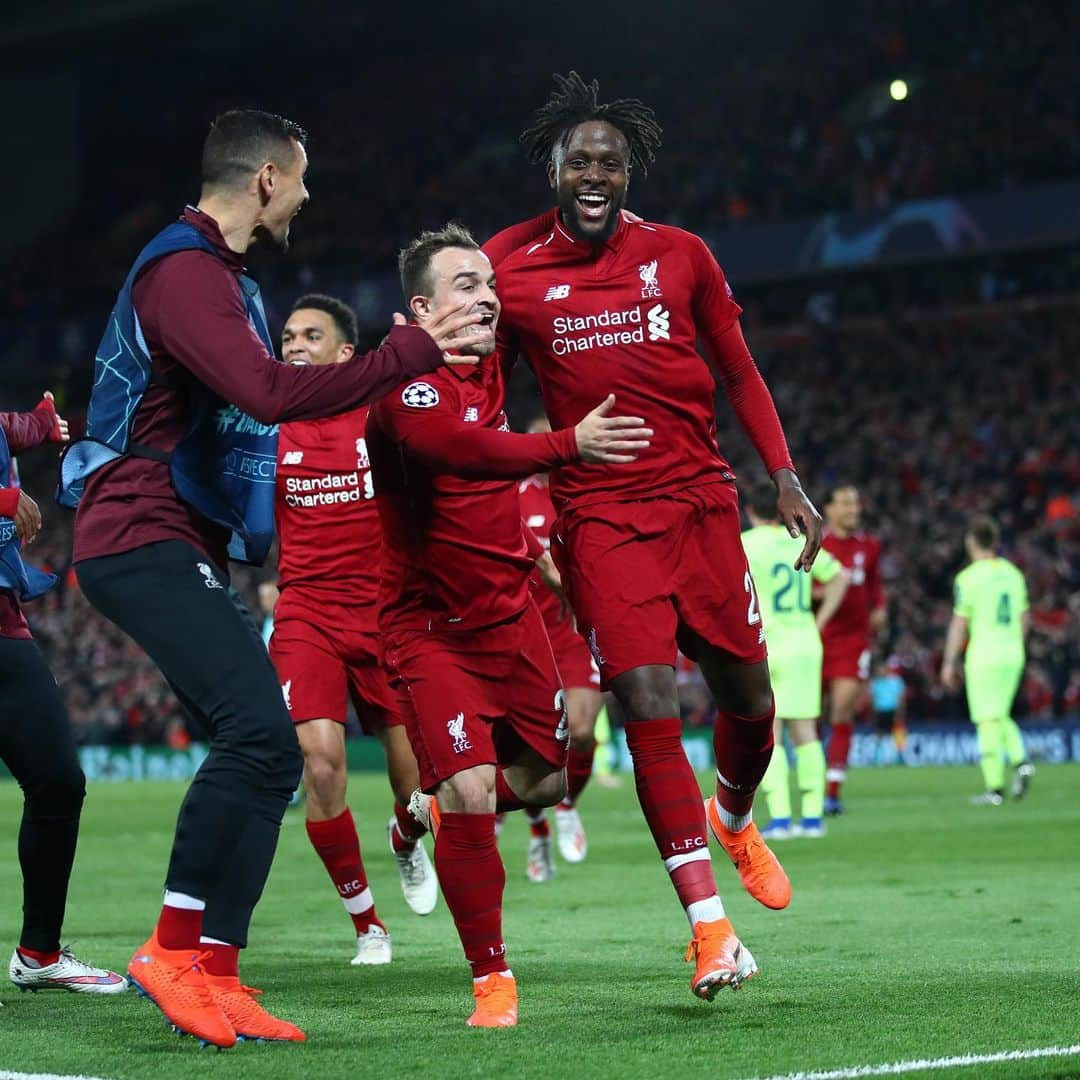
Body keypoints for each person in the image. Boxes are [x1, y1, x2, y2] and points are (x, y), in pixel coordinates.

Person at [59, 109, 485, 1049]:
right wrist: (408, 352)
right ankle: (173, 950)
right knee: (262, 735)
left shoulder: (222, 279)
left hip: (175, 533)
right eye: (300, 179)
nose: (306, 194)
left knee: (269, 750)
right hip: (139, 530)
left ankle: (219, 971)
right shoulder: (185, 272)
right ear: (264, 180)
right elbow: (271, 396)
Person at [483, 72, 824, 1001]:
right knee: (644, 704)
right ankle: (711, 931)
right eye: (579, 160)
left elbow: (740, 370)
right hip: (598, 519)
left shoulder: (681, 254)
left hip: (702, 505)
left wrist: (784, 477)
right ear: (553, 170)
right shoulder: (506, 267)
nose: (596, 173)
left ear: (629, 174)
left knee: (749, 700)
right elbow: (481, 402)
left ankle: (736, 815)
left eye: (612, 162)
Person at [368, 222, 651, 1027]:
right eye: (465, 284)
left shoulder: (492, 357)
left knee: (549, 782)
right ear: (421, 309)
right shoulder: (405, 385)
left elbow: (558, 291)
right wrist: (566, 445)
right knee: (470, 783)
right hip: (430, 627)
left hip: (511, 615)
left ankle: (414, 818)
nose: (486, 295)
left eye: (488, 282)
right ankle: (492, 980)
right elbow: (451, 449)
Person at [270, 293, 438, 968]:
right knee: (322, 763)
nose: (293, 345)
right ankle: (368, 923)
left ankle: (404, 838)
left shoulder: (380, 413)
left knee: (418, 789)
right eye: (286, 335)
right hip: (307, 613)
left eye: (310, 334)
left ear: (348, 355)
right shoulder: (267, 425)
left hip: (384, 614)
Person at [1, 395, 127, 1000]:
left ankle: (39, 953)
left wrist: (42, 424)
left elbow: (10, 427)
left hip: (4, 627)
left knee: (56, 784)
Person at [517, 409, 603, 878]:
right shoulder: (514, 495)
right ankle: (536, 829)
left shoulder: (586, 493)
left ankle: (568, 804)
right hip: (527, 630)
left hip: (571, 629)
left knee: (585, 731)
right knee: (530, 747)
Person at [742, 482, 848, 838]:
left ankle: (783, 818)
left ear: (750, 512)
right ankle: (814, 818)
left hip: (767, 644)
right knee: (806, 733)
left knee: (770, 732)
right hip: (804, 642)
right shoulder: (798, 539)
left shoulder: (746, 544)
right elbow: (840, 578)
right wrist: (818, 620)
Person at [941, 515, 1033, 804]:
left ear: (971, 543)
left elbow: (959, 623)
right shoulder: (1013, 574)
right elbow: (1024, 618)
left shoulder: (968, 578)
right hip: (1012, 652)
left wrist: (949, 661)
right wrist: (1015, 647)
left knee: (986, 719)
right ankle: (1020, 763)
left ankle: (997, 784)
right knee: (1000, 714)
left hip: (984, 653)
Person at [819, 483, 886, 815]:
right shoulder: (819, 545)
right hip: (817, 637)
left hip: (854, 639)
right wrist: (828, 592)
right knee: (811, 715)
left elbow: (876, 586)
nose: (852, 510)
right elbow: (806, 586)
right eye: (845, 503)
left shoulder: (870, 547)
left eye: (855, 504)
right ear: (828, 509)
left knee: (842, 710)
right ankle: (813, 785)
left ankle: (832, 791)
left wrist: (880, 608)